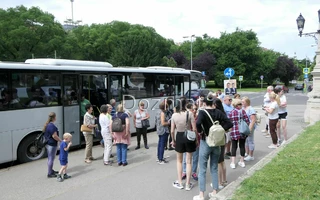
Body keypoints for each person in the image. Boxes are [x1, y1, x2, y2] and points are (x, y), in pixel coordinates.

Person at [193, 95, 233, 200]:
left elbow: (197, 123)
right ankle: (215, 192)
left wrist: (201, 131)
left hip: (205, 141)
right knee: (214, 167)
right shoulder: (218, 112)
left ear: (205, 103)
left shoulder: (202, 112)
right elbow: (229, 123)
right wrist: (221, 130)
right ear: (213, 104)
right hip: (217, 143)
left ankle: (201, 194)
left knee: (202, 169)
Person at [171, 98, 196, 191]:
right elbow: (194, 128)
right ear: (186, 104)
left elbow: (172, 130)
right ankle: (188, 184)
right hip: (189, 136)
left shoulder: (174, 115)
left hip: (180, 136)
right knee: (189, 161)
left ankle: (180, 182)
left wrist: (173, 140)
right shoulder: (190, 114)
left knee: (179, 161)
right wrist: (196, 140)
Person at [228, 99, 250, 169]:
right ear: (237, 105)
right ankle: (242, 161)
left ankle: (233, 162)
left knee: (234, 147)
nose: (241, 105)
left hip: (234, 131)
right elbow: (247, 121)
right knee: (242, 146)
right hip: (242, 131)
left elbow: (229, 122)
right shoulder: (243, 112)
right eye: (240, 104)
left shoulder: (231, 112)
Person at [212, 98, 229, 190]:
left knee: (218, 161)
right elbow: (229, 124)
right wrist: (223, 129)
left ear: (215, 105)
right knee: (222, 160)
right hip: (223, 136)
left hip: (217, 137)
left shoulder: (216, 113)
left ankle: (219, 182)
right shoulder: (223, 113)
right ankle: (224, 180)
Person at [182, 103, 199, 181]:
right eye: (193, 109)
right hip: (188, 139)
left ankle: (194, 172)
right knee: (186, 156)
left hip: (196, 139)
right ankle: (185, 171)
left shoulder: (198, 118)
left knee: (195, 157)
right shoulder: (187, 116)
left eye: (195, 109)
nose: (194, 110)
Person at [43, 112, 62, 178]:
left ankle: (51, 170)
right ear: (54, 118)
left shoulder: (47, 125)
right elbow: (54, 136)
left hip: (48, 144)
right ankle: (50, 173)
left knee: (50, 158)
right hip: (52, 144)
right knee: (51, 158)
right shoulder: (52, 126)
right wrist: (61, 140)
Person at [242, 97, 256, 161]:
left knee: (250, 140)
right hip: (244, 127)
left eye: (243, 102)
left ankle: (251, 155)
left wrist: (250, 129)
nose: (242, 103)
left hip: (249, 126)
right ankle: (246, 153)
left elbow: (253, 120)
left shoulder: (251, 109)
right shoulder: (243, 108)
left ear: (247, 102)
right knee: (246, 141)